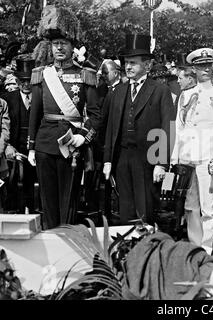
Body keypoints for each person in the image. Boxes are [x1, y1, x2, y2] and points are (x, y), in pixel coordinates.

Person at [28, 5, 101, 229]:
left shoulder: (85, 74)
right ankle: (50, 242)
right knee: (47, 201)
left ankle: (67, 245)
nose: (59, 48)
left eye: (64, 43)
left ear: (72, 46)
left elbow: (96, 114)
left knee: (68, 200)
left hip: (71, 142)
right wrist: (31, 146)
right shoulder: (41, 74)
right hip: (45, 143)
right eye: (55, 44)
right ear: (50, 47)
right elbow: (35, 113)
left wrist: (84, 137)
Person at [103, 33, 176, 225]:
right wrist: (108, 160)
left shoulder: (160, 90)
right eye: (126, 62)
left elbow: (167, 128)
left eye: (133, 63)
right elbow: (110, 129)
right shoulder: (118, 92)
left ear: (147, 65)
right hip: (122, 158)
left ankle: (146, 250)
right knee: (125, 209)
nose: (128, 67)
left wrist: (161, 162)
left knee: (146, 210)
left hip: (148, 159)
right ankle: (128, 250)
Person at [170, 47, 213, 255]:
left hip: (208, 157)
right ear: (194, 70)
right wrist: (175, 157)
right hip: (188, 157)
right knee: (190, 205)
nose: (206, 69)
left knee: (209, 207)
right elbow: (179, 128)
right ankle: (194, 246)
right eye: (200, 66)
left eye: (208, 65)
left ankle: (205, 251)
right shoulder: (186, 95)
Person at [2, 55, 37, 214]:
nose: (26, 84)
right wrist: (8, 146)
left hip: (36, 149)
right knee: (12, 183)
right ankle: (12, 212)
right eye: (22, 81)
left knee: (34, 187)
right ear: (17, 81)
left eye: (29, 80)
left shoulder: (40, 98)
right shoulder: (7, 99)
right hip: (13, 149)